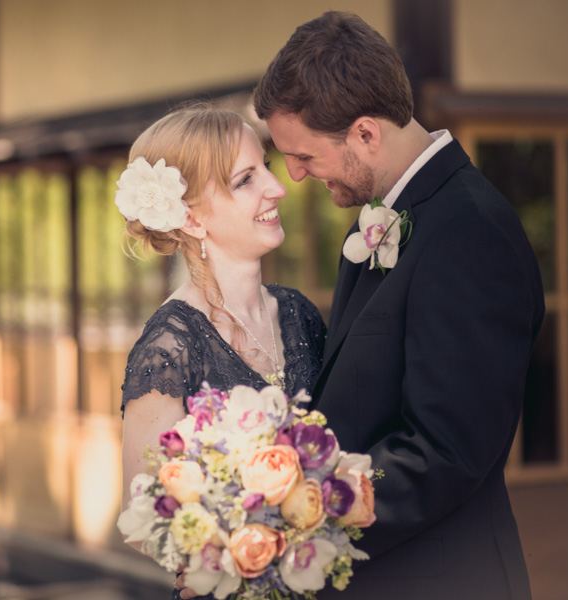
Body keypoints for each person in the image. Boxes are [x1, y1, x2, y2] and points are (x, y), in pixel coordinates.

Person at [241, 10, 544, 600]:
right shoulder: (387, 218)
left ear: (365, 133)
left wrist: (303, 513)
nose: (295, 177)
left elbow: (446, 450)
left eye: (302, 156)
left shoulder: (468, 234)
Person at [116, 105, 326, 597]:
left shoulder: (300, 315)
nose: (276, 189)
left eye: (267, 170)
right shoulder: (170, 345)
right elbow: (138, 511)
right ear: (190, 218)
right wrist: (237, 555)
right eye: (245, 180)